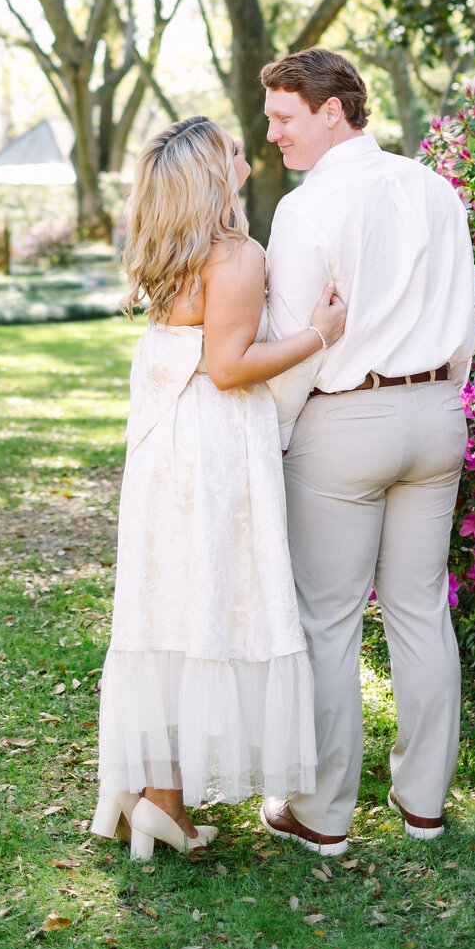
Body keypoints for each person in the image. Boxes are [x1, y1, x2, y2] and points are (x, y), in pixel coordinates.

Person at [93, 115, 346, 860]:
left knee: (170, 606)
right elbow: (232, 365)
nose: (248, 154)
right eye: (234, 150)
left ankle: (157, 796)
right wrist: (321, 332)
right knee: (204, 605)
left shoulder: (173, 251)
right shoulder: (235, 255)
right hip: (208, 445)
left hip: (164, 445)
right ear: (210, 172)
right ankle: (161, 799)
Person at [258, 49, 475, 857]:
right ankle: (424, 806)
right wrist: (444, 389)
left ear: (332, 110)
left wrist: (275, 435)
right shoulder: (434, 187)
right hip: (437, 412)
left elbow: (293, 338)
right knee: (422, 609)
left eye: (284, 116)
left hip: (346, 419)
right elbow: (468, 305)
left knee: (328, 622)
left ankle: (323, 814)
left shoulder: (305, 208)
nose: (273, 133)